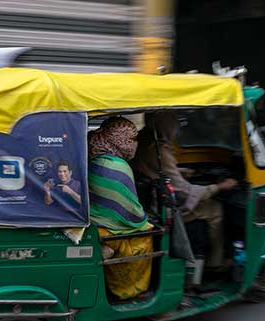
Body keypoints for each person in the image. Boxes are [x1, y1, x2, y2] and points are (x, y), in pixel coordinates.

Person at [133, 111, 237, 278]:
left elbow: (155, 169)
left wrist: (181, 172)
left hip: (148, 199)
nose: (177, 127)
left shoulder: (144, 139)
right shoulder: (158, 148)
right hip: (161, 209)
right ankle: (214, 265)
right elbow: (184, 192)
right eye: (174, 122)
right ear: (165, 124)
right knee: (215, 209)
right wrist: (219, 186)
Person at [88, 116, 153, 300]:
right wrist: (144, 218)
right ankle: (130, 290)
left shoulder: (96, 154)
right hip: (108, 226)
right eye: (131, 140)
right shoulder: (115, 165)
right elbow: (131, 214)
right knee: (147, 233)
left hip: (95, 218)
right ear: (119, 139)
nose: (134, 145)